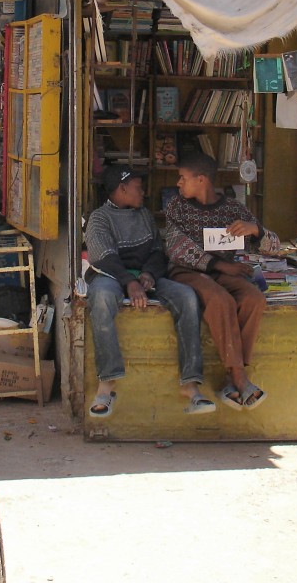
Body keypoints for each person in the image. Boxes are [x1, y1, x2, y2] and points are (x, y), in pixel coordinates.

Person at [84, 165, 209, 418]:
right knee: (101, 298)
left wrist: (148, 275)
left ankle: (190, 384)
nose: (143, 192)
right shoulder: (99, 218)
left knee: (187, 296)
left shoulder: (143, 215)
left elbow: (156, 250)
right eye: (138, 187)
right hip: (112, 275)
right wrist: (129, 282)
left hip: (144, 276)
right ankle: (107, 383)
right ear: (122, 188)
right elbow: (103, 257)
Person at [163, 152, 280, 411]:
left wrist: (256, 230)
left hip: (224, 274)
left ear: (201, 180)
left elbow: (274, 247)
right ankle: (239, 376)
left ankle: (231, 376)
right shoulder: (177, 207)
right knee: (220, 300)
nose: (179, 184)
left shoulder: (233, 210)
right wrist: (219, 264)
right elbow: (175, 247)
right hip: (187, 272)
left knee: (253, 298)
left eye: (183, 178)